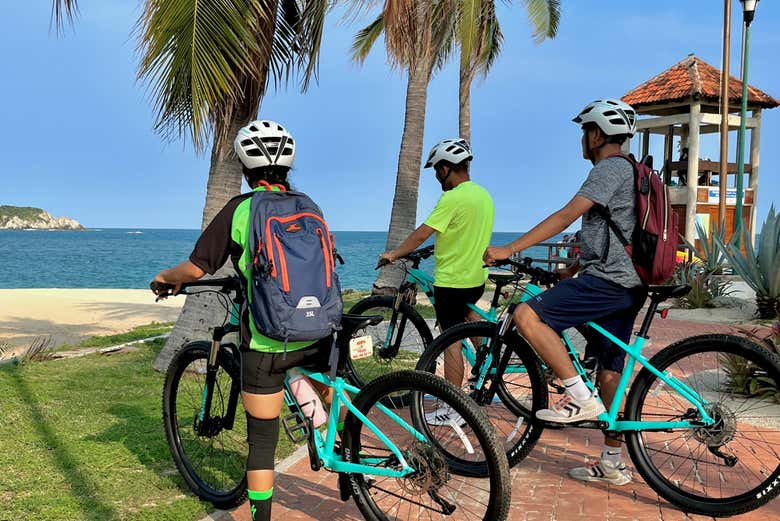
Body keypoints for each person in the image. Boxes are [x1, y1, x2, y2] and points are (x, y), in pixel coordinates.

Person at [152, 120, 336, 521]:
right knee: (320, 388)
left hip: (269, 343)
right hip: (320, 330)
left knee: (262, 444)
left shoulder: (242, 209)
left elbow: (198, 268)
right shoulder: (310, 206)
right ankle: (340, 443)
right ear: (287, 167)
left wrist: (165, 278)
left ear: (244, 168)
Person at [484, 99, 648, 486]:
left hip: (609, 283)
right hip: (627, 283)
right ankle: (612, 462)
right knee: (610, 376)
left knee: (527, 315)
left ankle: (576, 394)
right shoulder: (634, 170)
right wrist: (573, 269)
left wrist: (510, 248)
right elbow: (616, 231)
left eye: (584, 132)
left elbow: (566, 215)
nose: (582, 140)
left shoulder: (609, 168)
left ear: (596, 134)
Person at [378, 138, 494, 424]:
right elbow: (460, 233)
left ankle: (454, 409)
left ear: (445, 168)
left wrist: (394, 253)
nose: (436, 176)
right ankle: (486, 365)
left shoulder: (452, 198)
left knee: (449, 340)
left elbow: (422, 233)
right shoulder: (483, 195)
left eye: (436, 170)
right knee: (470, 321)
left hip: (453, 282)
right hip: (476, 278)